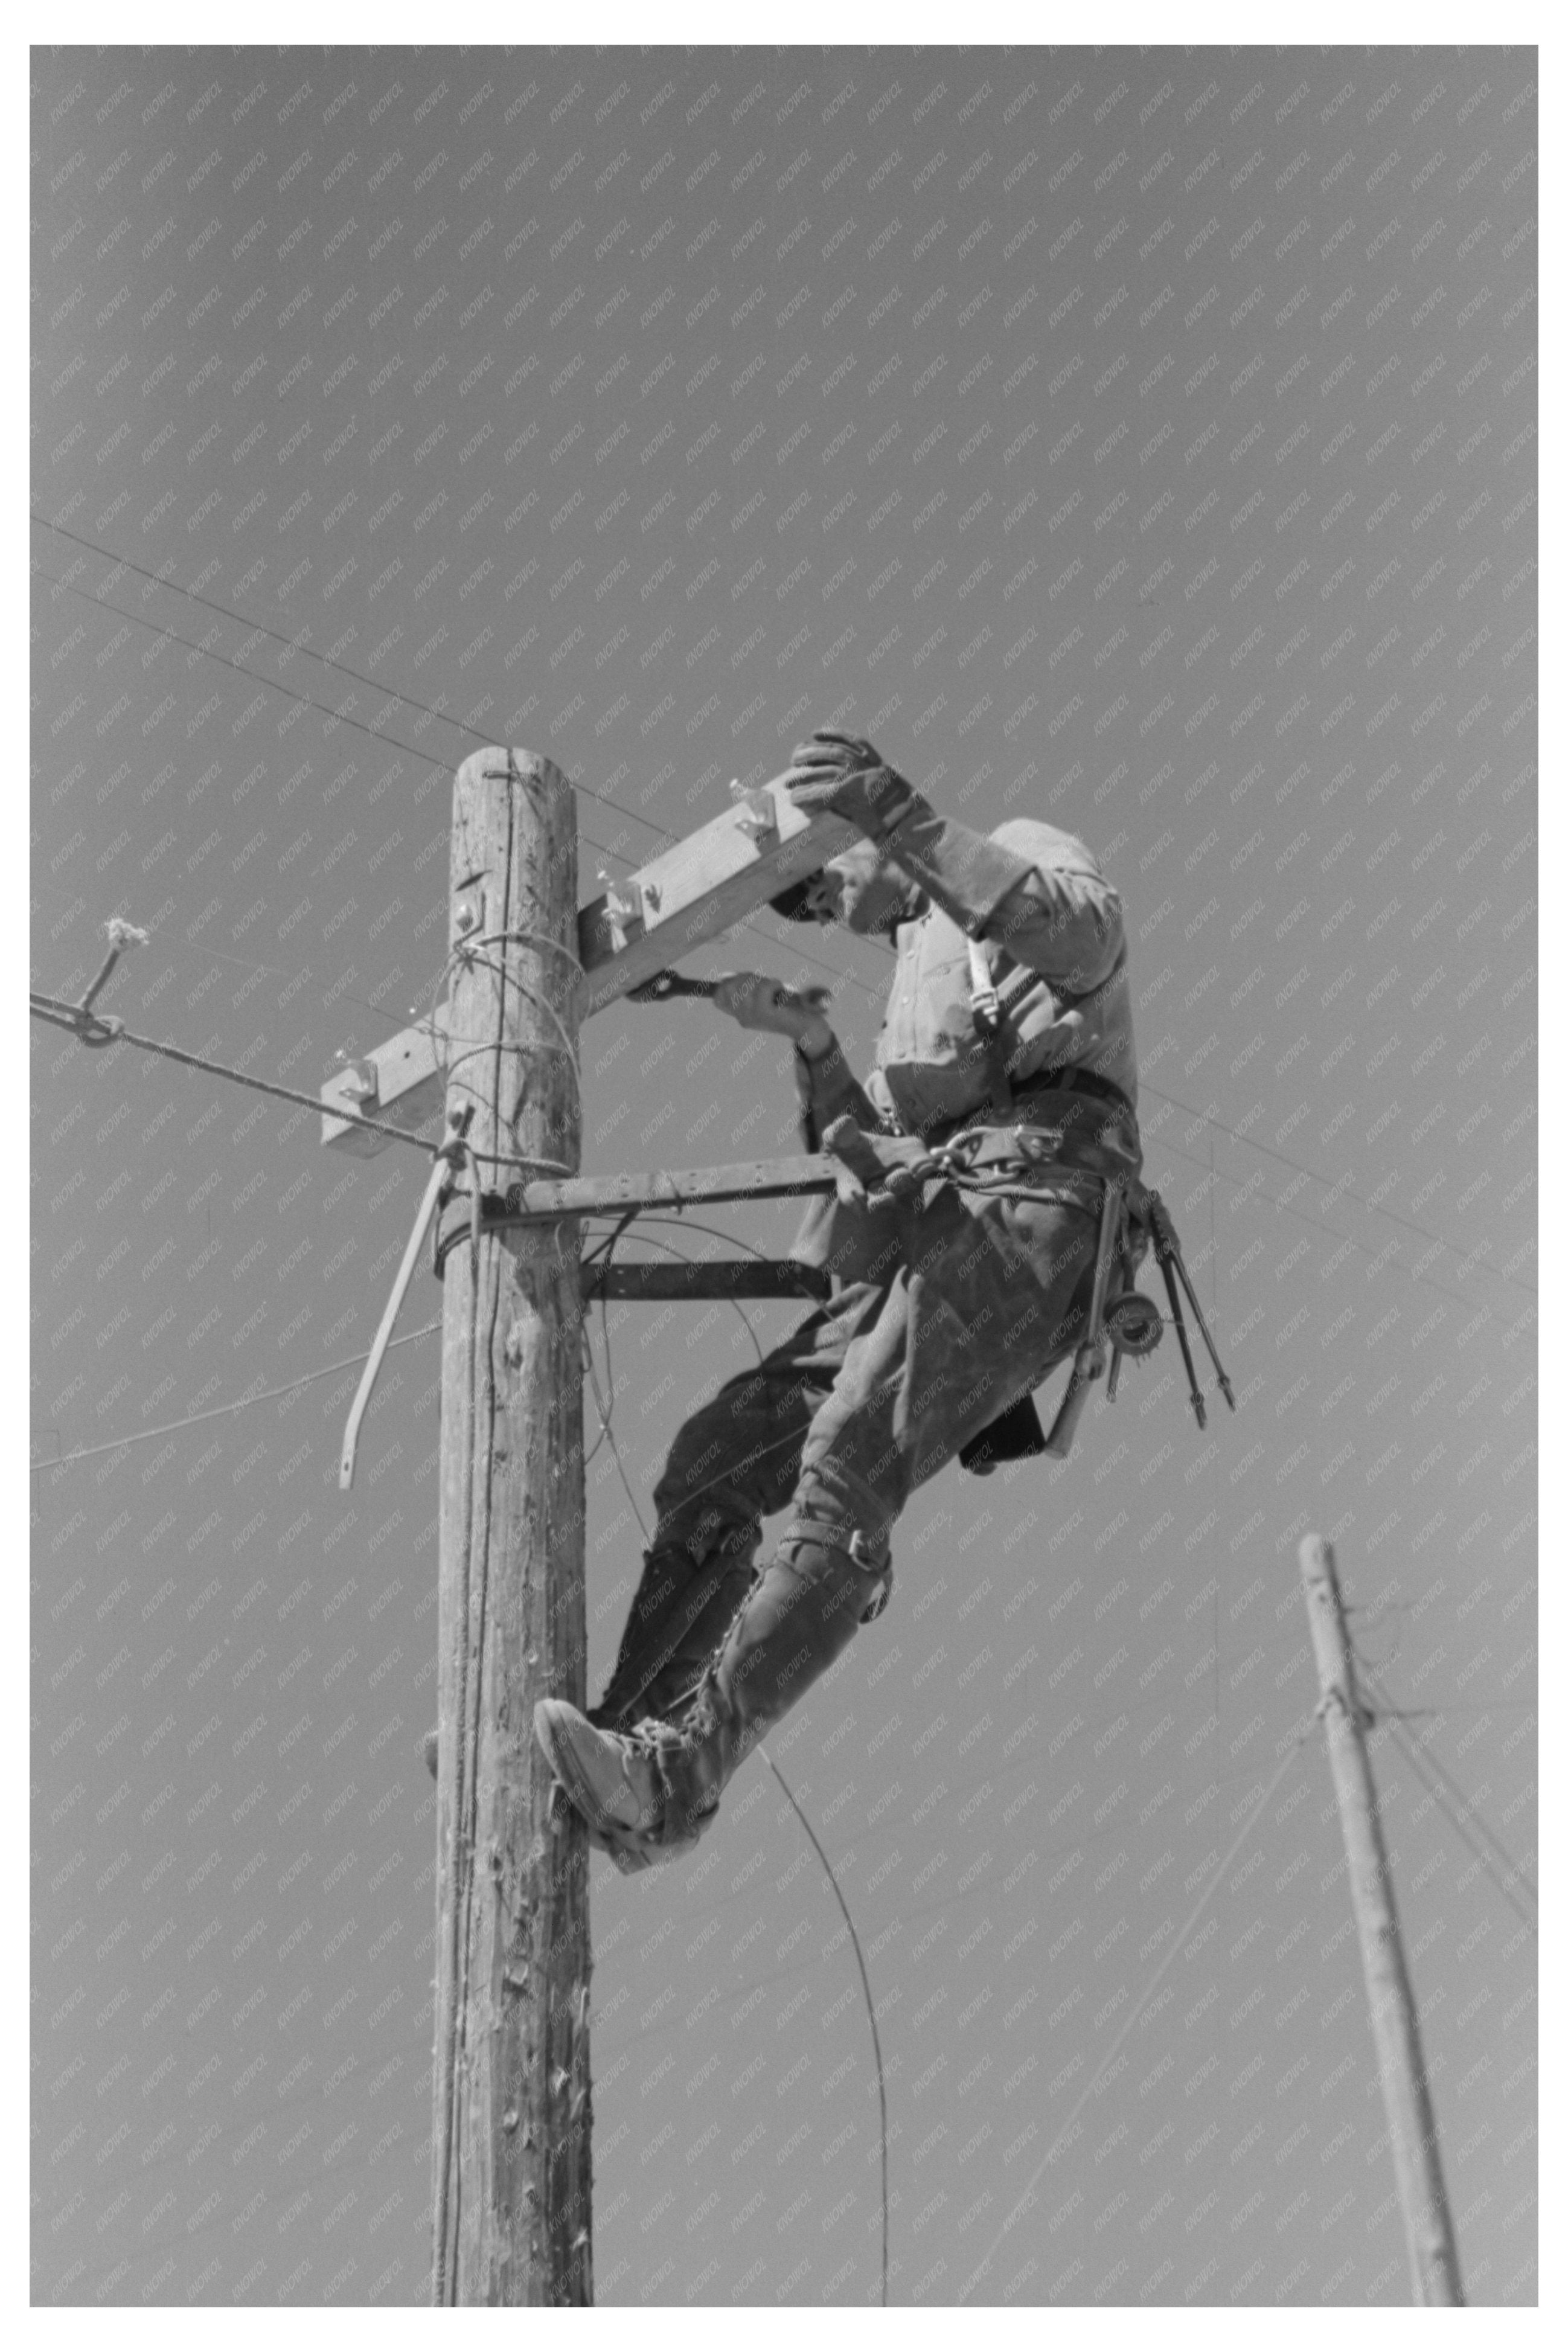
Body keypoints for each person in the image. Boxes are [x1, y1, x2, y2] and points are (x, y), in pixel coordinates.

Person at [535, 728, 1144, 1870]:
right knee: (720, 1454)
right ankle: (622, 1740)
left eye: (821, 879)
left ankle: (674, 1787)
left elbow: (1086, 935)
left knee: (848, 1461)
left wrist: (901, 816)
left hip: (1039, 1204)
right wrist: (812, 1046)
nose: (819, 907)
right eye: (805, 904)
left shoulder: (998, 862)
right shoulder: (915, 972)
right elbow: (867, 1175)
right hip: (945, 1219)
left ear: (869, 835)